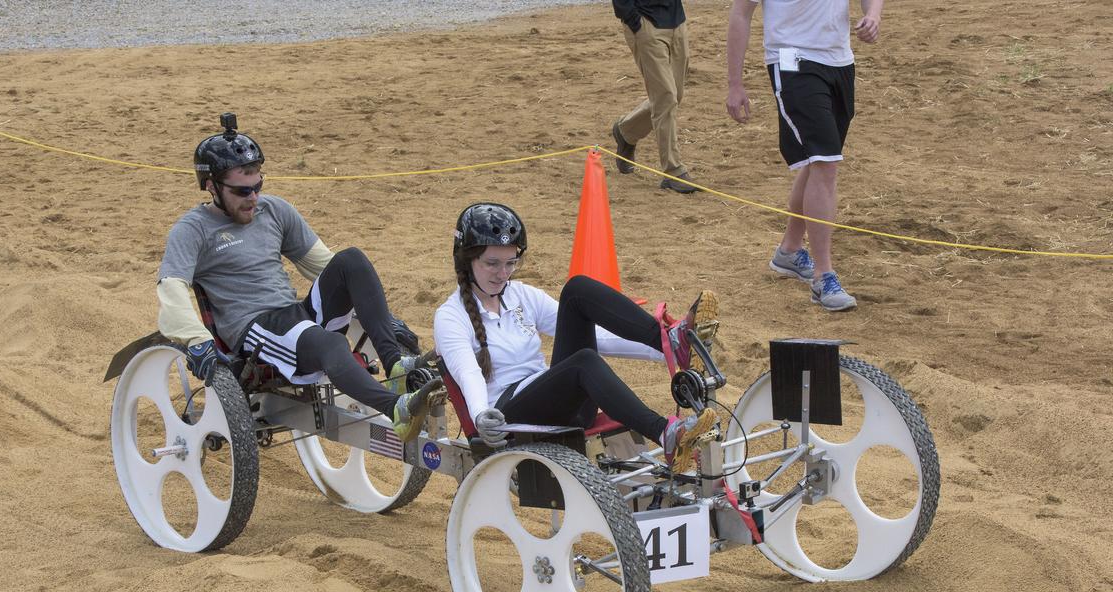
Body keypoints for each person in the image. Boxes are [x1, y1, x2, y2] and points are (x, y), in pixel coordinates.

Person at [154, 113, 439, 441]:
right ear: (211, 186)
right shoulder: (193, 229)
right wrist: (197, 341)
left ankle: (396, 365)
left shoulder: (274, 211)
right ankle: (395, 409)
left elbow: (324, 265)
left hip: (294, 316)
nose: (253, 198)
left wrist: (381, 320)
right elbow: (172, 287)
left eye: (257, 185)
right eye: (242, 190)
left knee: (352, 261)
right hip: (255, 329)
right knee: (329, 342)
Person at [433, 202, 720, 472]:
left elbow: (598, 337)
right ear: (467, 260)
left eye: (511, 263)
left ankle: (671, 342)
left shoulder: (521, 294)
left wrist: (661, 354)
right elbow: (467, 371)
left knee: (577, 290)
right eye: (492, 263)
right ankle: (664, 432)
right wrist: (482, 414)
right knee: (584, 361)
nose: (503, 274)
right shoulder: (451, 316)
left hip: (558, 405)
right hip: (509, 422)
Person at [726, 0, 883, 311]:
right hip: (792, 61)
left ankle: (789, 250)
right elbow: (741, 12)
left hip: (839, 61)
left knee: (817, 162)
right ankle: (824, 277)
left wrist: (873, 14)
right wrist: (735, 84)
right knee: (825, 163)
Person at [610, 0, 698, 194]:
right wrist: (634, 21)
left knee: (674, 96)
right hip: (645, 23)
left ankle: (626, 131)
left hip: (676, 21)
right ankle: (673, 171)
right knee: (666, 98)